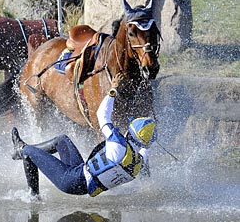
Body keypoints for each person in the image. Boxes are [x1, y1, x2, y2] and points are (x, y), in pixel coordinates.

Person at [11, 73, 157, 197]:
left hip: (70, 181)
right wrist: (152, 128)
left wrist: (113, 89)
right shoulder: (138, 162)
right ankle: (25, 152)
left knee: (27, 151)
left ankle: (33, 196)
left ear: (130, 133)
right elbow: (145, 147)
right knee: (62, 140)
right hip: (82, 177)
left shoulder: (117, 143)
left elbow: (102, 114)